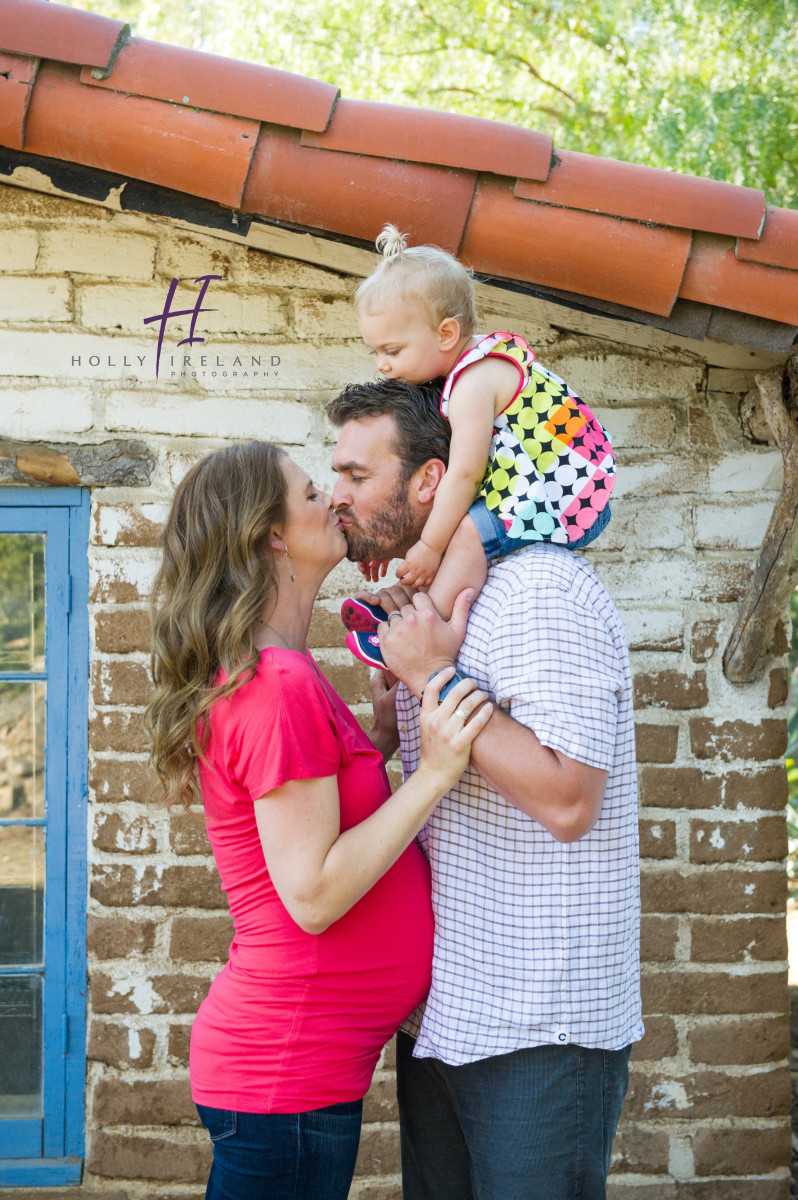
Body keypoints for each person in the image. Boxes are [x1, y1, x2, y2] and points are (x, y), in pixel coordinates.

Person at [143, 440, 493, 1200]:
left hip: (293, 1069)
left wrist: (385, 738)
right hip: (284, 1070)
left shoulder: (284, 672)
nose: (332, 501)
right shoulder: (278, 685)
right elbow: (314, 893)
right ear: (272, 534)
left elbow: (315, 814)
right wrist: (434, 773)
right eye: (309, 494)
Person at [328, 380, 642, 1200]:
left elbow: (568, 799)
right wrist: (397, 697)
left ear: (430, 481)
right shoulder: (443, 606)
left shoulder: (540, 591)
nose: (339, 497)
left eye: (358, 475)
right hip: (449, 1014)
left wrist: (432, 675)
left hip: (540, 1026)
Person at [342, 224, 615, 670]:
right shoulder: (470, 368)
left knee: (466, 534)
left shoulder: (473, 381)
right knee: (462, 533)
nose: (382, 365)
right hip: (536, 482)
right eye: (375, 352)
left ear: (446, 334)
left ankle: (427, 633)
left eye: (392, 349)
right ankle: (397, 613)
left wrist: (429, 547)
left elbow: (465, 473)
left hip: (566, 493)